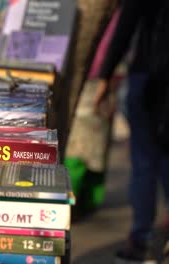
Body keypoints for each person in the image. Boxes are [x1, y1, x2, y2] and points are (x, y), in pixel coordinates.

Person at [93, 0, 169, 262]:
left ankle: (142, 240)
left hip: (148, 78)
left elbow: (126, 26)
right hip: (150, 80)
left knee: (145, 161)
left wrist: (105, 77)